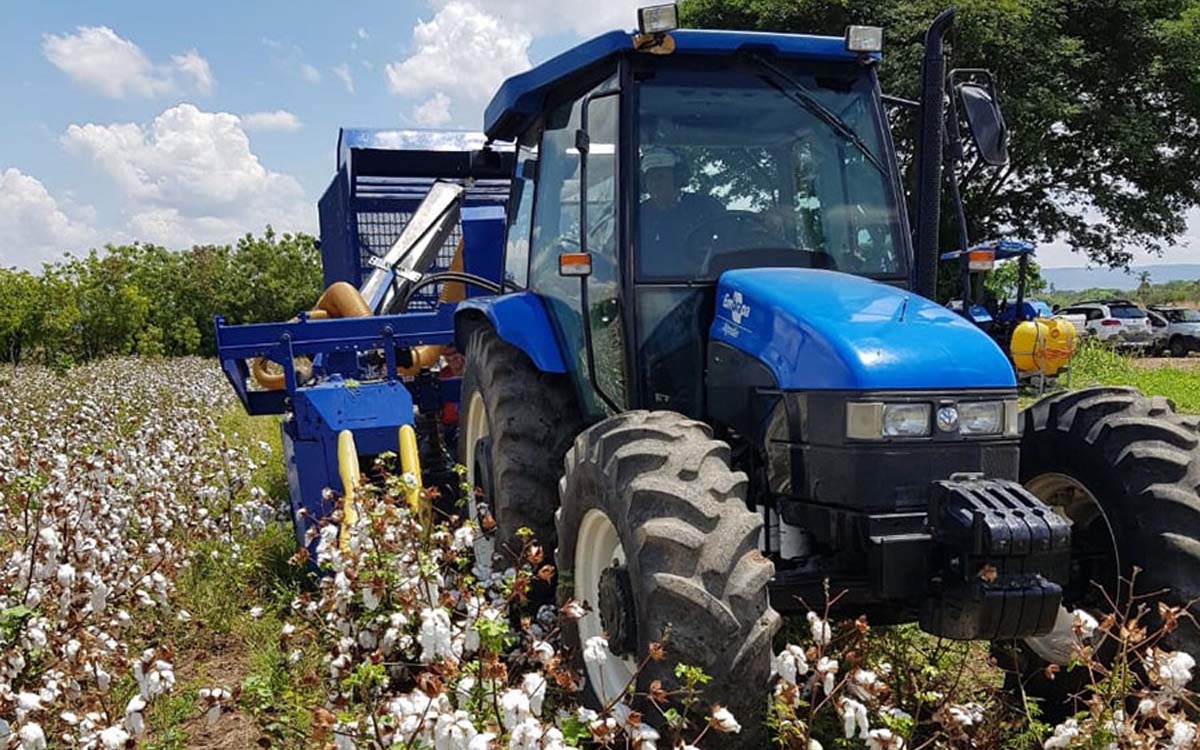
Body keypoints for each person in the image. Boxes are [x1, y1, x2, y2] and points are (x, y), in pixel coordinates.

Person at [638, 146, 723, 276]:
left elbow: (730, 236)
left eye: (661, 176)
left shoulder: (706, 207)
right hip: (650, 288)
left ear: (678, 179)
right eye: (650, 178)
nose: (655, 183)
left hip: (704, 283)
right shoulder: (637, 215)